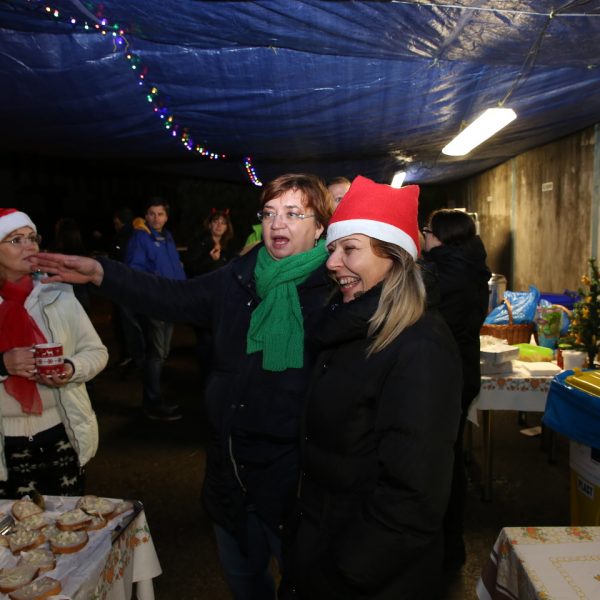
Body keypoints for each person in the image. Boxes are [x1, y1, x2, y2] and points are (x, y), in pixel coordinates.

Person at [31, 173, 335, 600]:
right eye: (269, 213)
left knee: (305, 584)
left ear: (320, 227)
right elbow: (172, 296)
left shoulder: (334, 292)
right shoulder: (239, 278)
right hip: (230, 469)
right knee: (244, 580)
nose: (277, 224)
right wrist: (102, 272)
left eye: (292, 214)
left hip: (294, 479)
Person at [282, 176, 462, 599]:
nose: (332, 263)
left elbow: (413, 497)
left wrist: (347, 571)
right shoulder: (348, 325)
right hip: (324, 547)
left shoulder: (420, 346)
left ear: (394, 257)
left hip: (370, 577)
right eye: (332, 250)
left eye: (349, 249)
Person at [0, 208, 108, 498]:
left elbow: (96, 351)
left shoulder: (56, 292)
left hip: (60, 432)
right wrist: (3, 364)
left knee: (67, 518)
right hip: (4, 446)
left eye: (32, 238)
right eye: (16, 240)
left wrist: (71, 368)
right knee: (13, 524)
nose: (29, 246)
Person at [420, 208, 491, 571]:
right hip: (463, 371)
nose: (423, 236)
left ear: (440, 237)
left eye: (427, 231)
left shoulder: (443, 274)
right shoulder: (471, 266)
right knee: (450, 453)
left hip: (445, 376)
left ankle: (446, 545)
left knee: (440, 460)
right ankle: (450, 543)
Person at [124, 198, 186, 422]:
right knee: (157, 354)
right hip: (155, 303)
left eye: (160, 214)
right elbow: (134, 269)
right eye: (151, 213)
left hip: (170, 302)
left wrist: (183, 291)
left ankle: (153, 400)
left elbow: (175, 267)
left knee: (161, 353)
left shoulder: (167, 237)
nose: (156, 218)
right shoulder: (141, 237)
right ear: (146, 215)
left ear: (166, 217)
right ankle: (152, 403)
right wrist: (156, 285)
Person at [184, 208, 235, 278]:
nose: (219, 225)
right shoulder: (199, 242)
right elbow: (190, 269)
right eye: (216, 222)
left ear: (226, 228)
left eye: (223, 223)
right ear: (210, 225)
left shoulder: (229, 245)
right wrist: (210, 259)